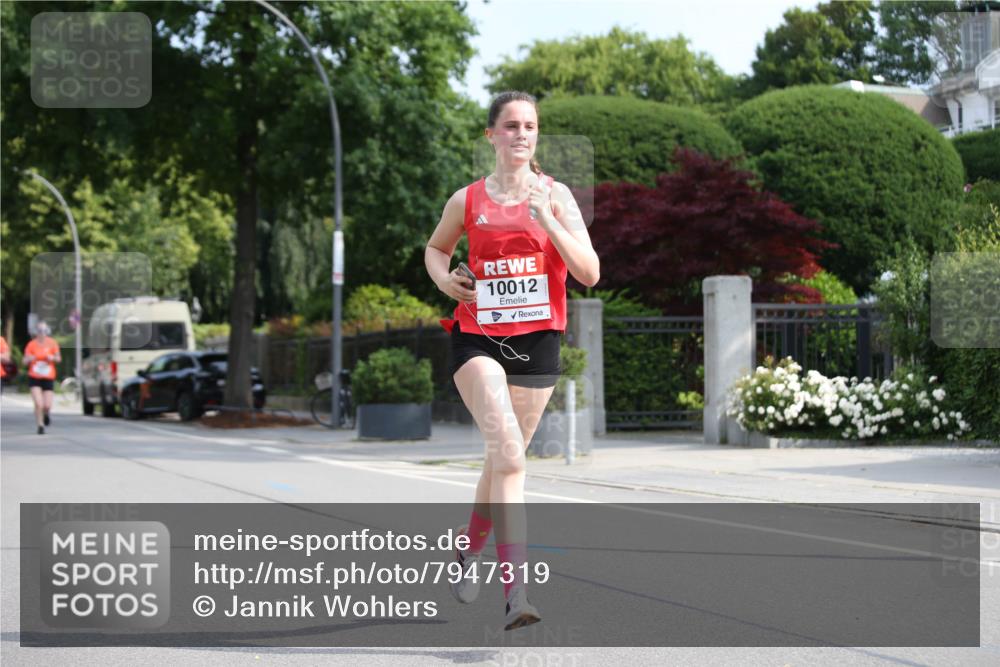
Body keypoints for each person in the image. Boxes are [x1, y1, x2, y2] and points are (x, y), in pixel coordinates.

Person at [424, 91, 599, 630]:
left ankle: (465, 550)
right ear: (492, 135)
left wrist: (549, 221)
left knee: (501, 461)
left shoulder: (558, 196)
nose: (523, 134)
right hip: (477, 340)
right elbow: (435, 250)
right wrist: (446, 280)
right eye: (512, 125)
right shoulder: (467, 200)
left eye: (531, 126)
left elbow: (589, 273)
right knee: (512, 459)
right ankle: (515, 593)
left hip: (540, 343)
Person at [24, 321, 61, 435]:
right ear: (36, 332)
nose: (42, 333)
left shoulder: (52, 343)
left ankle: (46, 414)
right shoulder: (31, 344)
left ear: (47, 332)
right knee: (38, 403)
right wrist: (29, 359)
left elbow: (58, 358)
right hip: (34, 376)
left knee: (47, 405)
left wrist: (52, 358)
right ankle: (40, 425)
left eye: (44, 331)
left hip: (48, 376)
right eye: (40, 331)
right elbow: (24, 361)